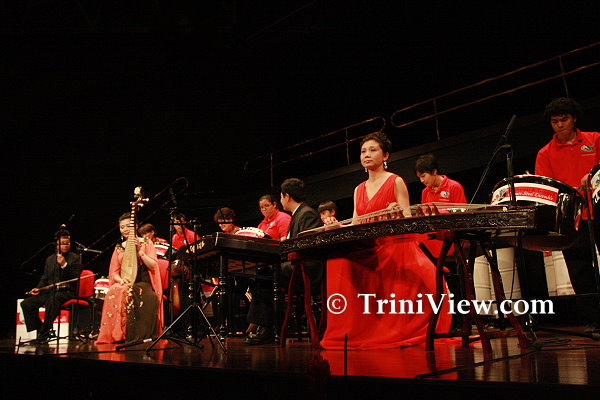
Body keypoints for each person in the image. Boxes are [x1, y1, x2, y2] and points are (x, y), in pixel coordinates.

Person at [320, 132, 451, 350]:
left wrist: (397, 214)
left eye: (373, 150)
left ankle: (392, 327)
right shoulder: (358, 189)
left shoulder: (395, 181)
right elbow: (356, 224)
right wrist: (337, 227)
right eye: (363, 151)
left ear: (386, 155)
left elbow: (408, 219)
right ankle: (352, 328)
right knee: (337, 260)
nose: (367, 155)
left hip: (394, 244)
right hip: (370, 246)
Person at [535, 97, 600, 332]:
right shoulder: (545, 153)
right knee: (579, 270)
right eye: (555, 121)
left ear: (574, 119)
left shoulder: (594, 139)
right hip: (571, 219)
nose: (559, 125)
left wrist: (593, 173)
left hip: (598, 210)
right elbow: (546, 190)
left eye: (564, 119)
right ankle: (594, 320)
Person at [245, 178, 323, 345]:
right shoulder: (299, 214)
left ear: (286, 196)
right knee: (261, 273)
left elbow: (306, 247)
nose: (281, 200)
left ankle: (267, 327)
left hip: (307, 268)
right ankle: (266, 325)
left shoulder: (306, 213)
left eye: (281, 197)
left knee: (264, 274)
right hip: (298, 264)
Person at [96, 213, 163, 343]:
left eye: (128, 226)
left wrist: (140, 252)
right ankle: (116, 334)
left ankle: (130, 334)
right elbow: (114, 272)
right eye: (122, 227)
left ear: (136, 226)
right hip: (126, 281)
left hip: (143, 283)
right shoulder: (119, 247)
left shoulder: (146, 242)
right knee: (114, 290)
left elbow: (154, 265)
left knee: (126, 291)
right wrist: (120, 280)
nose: (125, 229)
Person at [21, 229, 82, 342]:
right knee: (26, 304)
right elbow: (45, 278)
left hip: (67, 292)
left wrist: (64, 264)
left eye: (67, 243)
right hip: (51, 292)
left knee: (53, 299)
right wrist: (38, 289)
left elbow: (76, 277)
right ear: (57, 244)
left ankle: (43, 334)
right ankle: (42, 330)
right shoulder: (50, 259)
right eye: (62, 244)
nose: (65, 246)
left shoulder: (75, 258)